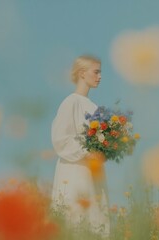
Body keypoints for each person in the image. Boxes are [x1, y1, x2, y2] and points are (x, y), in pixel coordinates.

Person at [51, 55, 110, 237]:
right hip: (75, 170)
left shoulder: (93, 106)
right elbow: (61, 138)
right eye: (96, 71)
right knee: (76, 215)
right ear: (82, 73)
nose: (100, 76)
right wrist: (87, 151)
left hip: (93, 171)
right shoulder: (71, 102)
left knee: (95, 217)